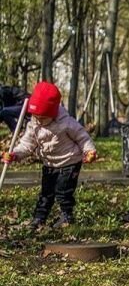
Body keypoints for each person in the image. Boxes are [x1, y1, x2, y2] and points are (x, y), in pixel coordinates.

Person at [2, 81, 98, 228]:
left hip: (69, 161)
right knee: (46, 193)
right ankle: (39, 218)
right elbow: (27, 145)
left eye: (43, 118)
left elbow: (82, 136)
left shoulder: (66, 123)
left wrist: (89, 151)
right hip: (49, 163)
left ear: (53, 114)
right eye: (36, 116)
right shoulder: (33, 124)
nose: (39, 120)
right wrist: (14, 154)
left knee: (63, 191)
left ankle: (66, 217)